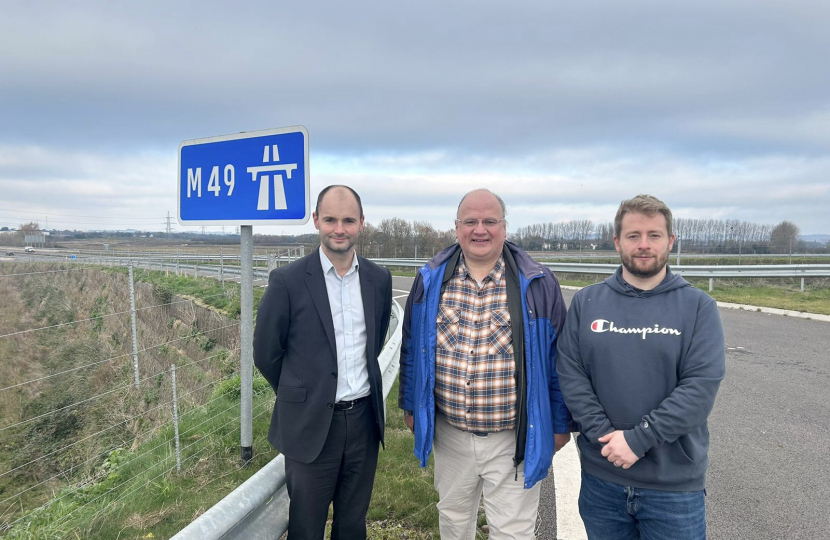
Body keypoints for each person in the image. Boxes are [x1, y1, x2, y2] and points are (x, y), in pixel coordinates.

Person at [398, 188, 573, 539]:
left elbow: (559, 361)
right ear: (457, 227)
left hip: (514, 438)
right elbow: (412, 348)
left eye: (490, 221)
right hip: (450, 436)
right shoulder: (431, 278)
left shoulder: (537, 283)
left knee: (512, 533)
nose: (480, 229)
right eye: (471, 221)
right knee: (453, 523)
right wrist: (409, 405)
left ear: (504, 228)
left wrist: (560, 423)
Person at [556, 194, 726, 540]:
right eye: (633, 236)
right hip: (602, 480)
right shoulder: (587, 302)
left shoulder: (698, 307)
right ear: (617, 242)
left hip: (673, 489)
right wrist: (607, 437)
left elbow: (700, 387)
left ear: (670, 241)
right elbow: (572, 375)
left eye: (654, 235)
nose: (644, 245)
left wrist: (638, 440)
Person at [253, 185, 393, 540]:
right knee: (306, 528)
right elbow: (267, 353)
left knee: (352, 525)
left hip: (363, 423)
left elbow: (372, 344)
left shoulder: (379, 279)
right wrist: (301, 394)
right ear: (316, 221)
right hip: (310, 425)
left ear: (362, 223)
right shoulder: (287, 281)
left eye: (348, 220)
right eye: (330, 219)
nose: (339, 229)